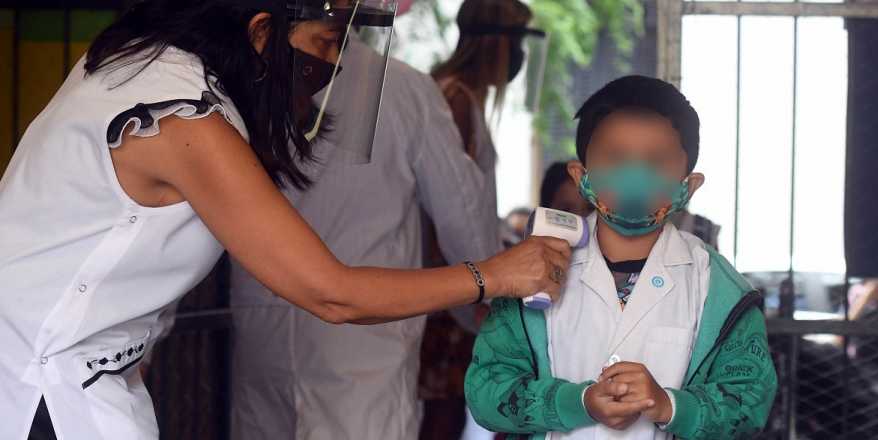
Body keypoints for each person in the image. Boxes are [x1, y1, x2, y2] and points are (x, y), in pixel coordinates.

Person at [0, 2, 570, 439]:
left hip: (85, 373)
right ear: (261, 32)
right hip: (44, 391)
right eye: (326, 41)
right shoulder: (181, 119)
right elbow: (334, 294)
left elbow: (108, 255)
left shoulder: (138, 68)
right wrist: (492, 274)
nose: (337, 63)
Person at [465, 76, 777, 439]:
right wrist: (576, 402)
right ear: (581, 176)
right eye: (615, 157)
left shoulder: (718, 287)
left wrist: (670, 406)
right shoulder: (532, 268)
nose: (634, 175)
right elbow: (486, 389)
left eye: (656, 160)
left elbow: (750, 401)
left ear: (688, 185)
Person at [229, 36, 499, 439]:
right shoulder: (403, 89)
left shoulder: (247, 75)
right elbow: (465, 218)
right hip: (364, 353)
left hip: (264, 334)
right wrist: (489, 299)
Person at [419, 1, 543, 437]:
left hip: (455, 285)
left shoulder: (453, 93)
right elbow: (452, 214)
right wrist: (481, 289)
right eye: (516, 43)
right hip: (449, 291)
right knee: (444, 411)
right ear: (497, 43)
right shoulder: (454, 100)